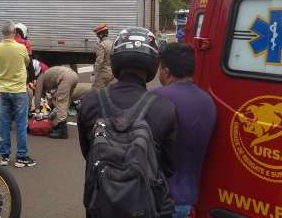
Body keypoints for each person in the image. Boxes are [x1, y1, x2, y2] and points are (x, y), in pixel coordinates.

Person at [78, 27, 178, 217]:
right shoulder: (165, 108)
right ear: (153, 63)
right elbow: (169, 166)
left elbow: (88, 153)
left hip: (99, 203)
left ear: (116, 59)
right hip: (144, 205)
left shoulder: (90, 101)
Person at [153, 43, 216, 218]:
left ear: (166, 72)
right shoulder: (208, 102)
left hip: (160, 199)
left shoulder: (157, 98)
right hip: (187, 200)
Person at [0, 21, 36, 168]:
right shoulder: (21, 48)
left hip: (3, 90)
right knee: (21, 124)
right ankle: (21, 157)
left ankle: (4, 156)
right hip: (18, 90)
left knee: (4, 123)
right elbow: (26, 62)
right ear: (14, 33)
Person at [33, 66, 78, 139]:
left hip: (65, 78)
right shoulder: (48, 75)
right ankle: (59, 125)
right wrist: (52, 115)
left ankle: (63, 131)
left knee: (61, 102)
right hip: (74, 76)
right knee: (65, 103)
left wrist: (37, 112)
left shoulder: (40, 78)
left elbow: (37, 97)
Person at [92, 23, 114, 89]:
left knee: (96, 91)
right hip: (111, 72)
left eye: (97, 35)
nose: (97, 37)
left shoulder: (101, 45)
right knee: (106, 90)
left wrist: (94, 73)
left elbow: (99, 61)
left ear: (101, 35)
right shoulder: (112, 43)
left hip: (103, 72)